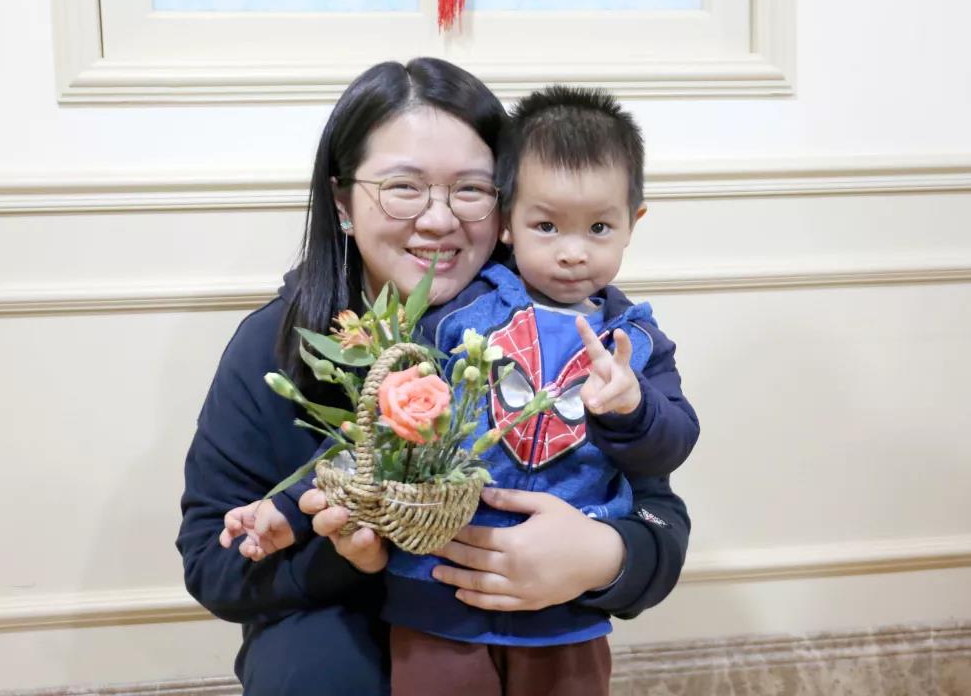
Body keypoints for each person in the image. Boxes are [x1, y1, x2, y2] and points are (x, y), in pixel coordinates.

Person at [178, 58, 692, 695]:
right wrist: (357, 554)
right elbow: (215, 564)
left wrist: (601, 556)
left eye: (471, 189)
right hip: (348, 627)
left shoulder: (570, 326)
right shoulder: (275, 342)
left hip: (534, 627)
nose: (440, 219)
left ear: (504, 205)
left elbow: (657, 508)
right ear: (343, 200)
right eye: (403, 187)